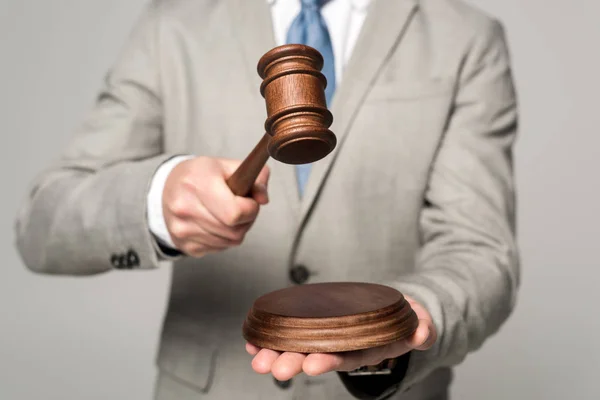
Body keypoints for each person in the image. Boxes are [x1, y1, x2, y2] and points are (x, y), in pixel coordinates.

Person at [14, 0, 520, 399]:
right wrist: (158, 202)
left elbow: (480, 250)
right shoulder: (171, 25)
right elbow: (41, 224)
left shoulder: (464, 38)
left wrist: (411, 316)